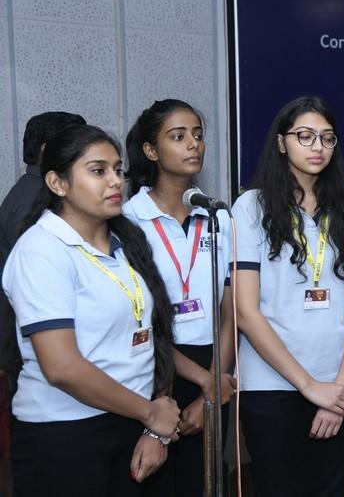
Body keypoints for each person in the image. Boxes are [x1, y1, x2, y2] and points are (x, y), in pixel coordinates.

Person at [3, 124, 181, 497]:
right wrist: (150, 414)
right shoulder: (41, 250)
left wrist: (153, 429)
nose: (115, 181)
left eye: (117, 169)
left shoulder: (126, 242)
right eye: (98, 171)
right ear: (58, 183)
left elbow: (155, 335)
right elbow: (62, 367)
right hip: (66, 433)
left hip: (132, 423)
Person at [231, 96, 344, 496]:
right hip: (272, 386)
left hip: (341, 383)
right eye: (305, 136)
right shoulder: (251, 207)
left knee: (330, 489)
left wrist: (338, 390)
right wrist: (310, 386)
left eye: (327, 138)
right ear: (281, 142)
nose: (317, 147)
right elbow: (246, 311)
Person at [124, 99, 236, 496]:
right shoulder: (128, 220)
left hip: (214, 362)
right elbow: (138, 320)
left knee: (202, 482)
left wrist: (213, 387)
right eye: (178, 136)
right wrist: (207, 383)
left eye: (198, 135)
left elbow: (231, 311)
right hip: (155, 366)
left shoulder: (218, 216)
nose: (193, 144)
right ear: (151, 150)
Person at [0, 111, 86, 392]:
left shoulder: (36, 191)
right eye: (76, 144)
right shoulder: (33, 203)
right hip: (38, 350)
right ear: (47, 150)